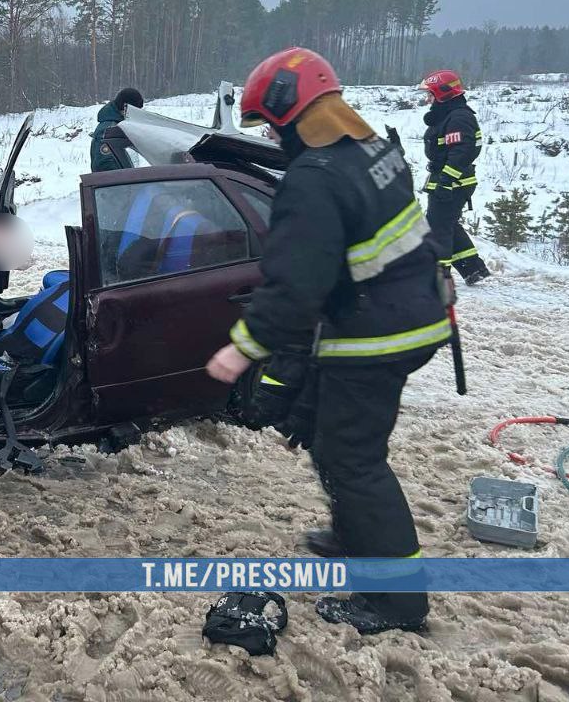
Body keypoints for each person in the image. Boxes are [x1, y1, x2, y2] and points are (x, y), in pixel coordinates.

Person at [206, 47, 450, 635]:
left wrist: (241, 347)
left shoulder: (313, 178)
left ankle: (396, 602)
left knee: (355, 460)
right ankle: (354, 536)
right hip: (413, 310)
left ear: (292, 114)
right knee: (327, 436)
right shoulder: (373, 151)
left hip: (377, 333)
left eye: (271, 123)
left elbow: (294, 287)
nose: (271, 134)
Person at [419, 69, 489, 284]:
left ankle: (438, 276)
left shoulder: (459, 117)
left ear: (442, 94)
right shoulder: (448, 115)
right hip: (447, 179)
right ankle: (472, 269)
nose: (427, 98)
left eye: (430, 94)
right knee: (447, 223)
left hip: (454, 182)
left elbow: (462, 151)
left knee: (437, 227)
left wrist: (447, 181)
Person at [90, 87, 143, 172]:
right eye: (135, 111)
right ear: (125, 108)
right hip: (115, 183)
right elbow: (105, 165)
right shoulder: (109, 130)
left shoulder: (119, 125)